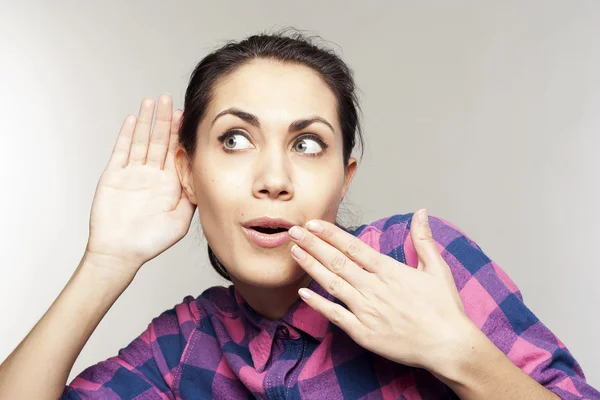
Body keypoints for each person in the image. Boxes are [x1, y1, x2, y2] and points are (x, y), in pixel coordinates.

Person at [0, 30, 598, 400]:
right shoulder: (186, 346)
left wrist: (457, 352)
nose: (274, 180)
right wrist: (106, 261)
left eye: (307, 144)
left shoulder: (417, 259)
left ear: (344, 178)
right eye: (235, 139)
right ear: (187, 171)